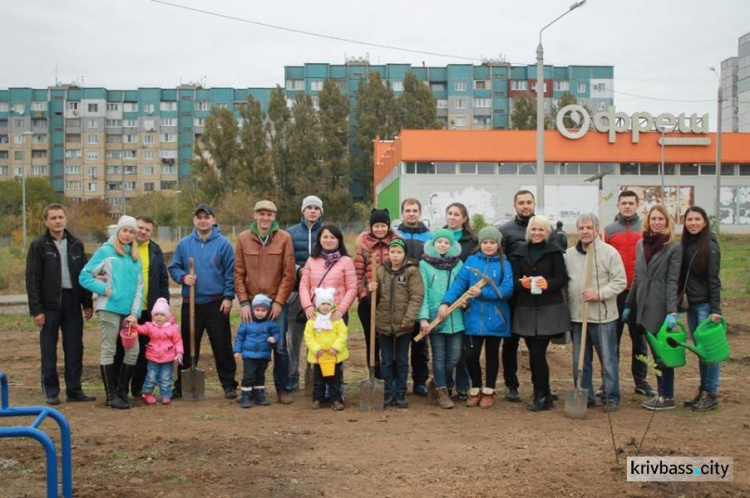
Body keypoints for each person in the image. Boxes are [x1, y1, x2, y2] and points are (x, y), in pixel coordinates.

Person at [26, 203, 95, 405]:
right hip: (49, 305)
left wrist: (87, 301)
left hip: (72, 302)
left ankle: (74, 390)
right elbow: (32, 279)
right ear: (46, 221)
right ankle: (51, 391)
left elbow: (85, 275)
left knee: (74, 348)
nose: (57, 221)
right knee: (49, 349)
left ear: (65, 219)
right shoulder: (39, 245)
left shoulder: (76, 244)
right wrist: (36, 310)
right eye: (53, 218)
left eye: (60, 217)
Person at [440, 226, 513, 409]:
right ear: (480, 244)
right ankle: (475, 388)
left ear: (498, 244)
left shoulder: (505, 263)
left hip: (496, 317)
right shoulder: (472, 261)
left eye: (492, 242)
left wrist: (482, 292)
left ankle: (489, 390)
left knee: (491, 356)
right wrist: (447, 302)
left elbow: (507, 289)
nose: (488, 246)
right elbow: (460, 283)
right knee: (471, 355)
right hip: (473, 317)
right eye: (485, 242)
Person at [169, 204, 238, 400]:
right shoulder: (184, 244)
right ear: (194, 221)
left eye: (206, 217)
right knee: (188, 344)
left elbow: (230, 273)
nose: (202, 220)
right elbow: (173, 268)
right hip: (191, 302)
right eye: (199, 217)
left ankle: (228, 384)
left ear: (213, 220)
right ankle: (182, 384)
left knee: (221, 344)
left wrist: (228, 297)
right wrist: (183, 277)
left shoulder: (223, 244)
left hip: (216, 303)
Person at [234, 200, 296, 405]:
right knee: (251, 345)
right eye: (261, 214)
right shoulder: (243, 239)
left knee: (279, 346)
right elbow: (238, 273)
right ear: (254, 216)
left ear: (274, 217)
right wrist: (243, 302)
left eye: (269, 214)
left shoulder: (284, 238)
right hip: (251, 303)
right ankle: (249, 388)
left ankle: (282, 388)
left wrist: (279, 302)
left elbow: (289, 275)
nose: (265, 218)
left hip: (275, 302)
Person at [79, 215, 144, 409]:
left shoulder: (134, 256)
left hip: (128, 312)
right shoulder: (106, 252)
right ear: (118, 231)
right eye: (124, 230)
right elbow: (84, 276)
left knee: (133, 350)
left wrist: (135, 313)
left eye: (131, 231)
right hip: (109, 308)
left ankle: (122, 392)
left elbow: (139, 286)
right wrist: (103, 289)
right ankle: (110, 396)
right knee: (109, 349)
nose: (127, 234)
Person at [565, 214, 626, 412]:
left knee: (608, 360)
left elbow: (620, 282)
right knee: (580, 361)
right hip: (577, 316)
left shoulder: (609, 253)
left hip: (603, 316)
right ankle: (586, 395)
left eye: (589, 228)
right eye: (581, 228)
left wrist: (599, 294)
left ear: (597, 230)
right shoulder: (569, 255)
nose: (585, 231)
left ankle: (611, 396)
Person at [624, 204, 682, 411]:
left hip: (660, 305)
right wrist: (629, 304)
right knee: (653, 350)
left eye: (661, 219)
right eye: (653, 219)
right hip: (642, 305)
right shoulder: (641, 244)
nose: (657, 222)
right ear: (648, 221)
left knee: (662, 353)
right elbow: (638, 276)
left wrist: (671, 311)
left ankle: (667, 395)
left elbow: (672, 280)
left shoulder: (673, 247)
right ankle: (661, 392)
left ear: (667, 222)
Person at [510, 215, 570, 412]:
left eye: (541, 230)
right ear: (529, 231)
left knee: (537, 353)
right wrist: (522, 283)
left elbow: (561, 279)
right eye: (534, 229)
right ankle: (542, 392)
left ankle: (542, 395)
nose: (537, 233)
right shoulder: (519, 253)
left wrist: (548, 284)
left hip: (548, 310)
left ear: (547, 232)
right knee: (535, 354)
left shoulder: (554, 253)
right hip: (526, 309)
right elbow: (515, 280)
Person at [113, 215, 171, 399]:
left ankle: (138, 388)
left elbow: (163, 280)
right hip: (125, 309)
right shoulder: (121, 248)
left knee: (145, 351)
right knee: (122, 349)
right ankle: (117, 388)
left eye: (147, 229)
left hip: (148, 310)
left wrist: (163, 307)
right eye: (140, 228)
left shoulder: (155, 251)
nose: (143, 232)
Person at [605, 190, 654, 398]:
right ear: (618, 206)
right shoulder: (609, 230)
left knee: (639, 339)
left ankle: (641, 380)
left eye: (631, 203)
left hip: (639, 292)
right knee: (611, 340)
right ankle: (609, 381)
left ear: (637, 205)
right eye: (623, 203)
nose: (627, 206)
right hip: (616, 293)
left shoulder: (646, 229)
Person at [369, 238, 424, 408]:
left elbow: (416, 297)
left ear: (404, 254)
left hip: (403, 325)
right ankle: (387, 392)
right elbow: (376, 299)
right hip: (384, 324)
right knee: (385, 360)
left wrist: (408, 319)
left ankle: (400, 391)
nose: (395, 255)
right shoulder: (380, 271)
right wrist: (371, 289)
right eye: (392, 252)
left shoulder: (412, 272)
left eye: (398, 252)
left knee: (401, 360)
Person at [680, 206, 723, 411]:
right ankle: (703, 389)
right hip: (692, 306)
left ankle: (711, 392)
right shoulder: (688, 244)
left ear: (705, 222)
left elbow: (714, 280)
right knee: (700, 351)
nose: (693, 223)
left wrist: (716, 310)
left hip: (705, 306)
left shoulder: (710, 246)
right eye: (690, 219)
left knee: (710, 352)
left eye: (697, 219)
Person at [417, 229, 465, 409]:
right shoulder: (425, 265)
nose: (443, 245)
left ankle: (434, 382)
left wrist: (464, 303)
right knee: (439, 356)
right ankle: (442, 391)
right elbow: (423, 293)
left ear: (452, 245)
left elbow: (463, 287)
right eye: (440, 242)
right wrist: (423, 318)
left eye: (446, 242)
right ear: (433, 243)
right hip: (434, 318)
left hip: (456, 318)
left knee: (454, 357)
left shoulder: (459, 264)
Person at [499, 190, 539, 403]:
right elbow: (500, 262)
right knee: (511, 342)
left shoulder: (542, 228)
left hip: (536, 297)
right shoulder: (506, 231)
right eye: (521, 203)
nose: (526, 206)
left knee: (536, 343)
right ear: (515, 205)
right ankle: (511, 385)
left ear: (534, 204)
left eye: (529, 202)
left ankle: (539, 384)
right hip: (513, 296)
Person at [354, 208, 401, 379]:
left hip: (392, 304)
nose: (380, 229)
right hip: (370, 303)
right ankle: (375, 376)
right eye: (376, 226)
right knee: (372, 342)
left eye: (383, 225)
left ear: (388, 226)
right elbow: (357, 275)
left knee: (392, 343)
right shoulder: (364, 248)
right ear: (371, 227)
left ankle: (392, 378)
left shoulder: (397, 244)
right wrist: (364, 296)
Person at [286, 195, 324, 392]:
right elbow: (285, 259)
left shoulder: (326, 233)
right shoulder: (290, 233)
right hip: (295, 291)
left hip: (320, 295)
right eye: (308, 207)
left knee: (318, 336)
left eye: (316, 208)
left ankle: (316, 376)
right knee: (294, 337)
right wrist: (297, 269)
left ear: (320, 212)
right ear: (303, 211)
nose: (312, 211)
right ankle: (292, 376)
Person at [395, 198, 432, 396]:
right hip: (399, 293)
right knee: (400, 340)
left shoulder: (429, 236)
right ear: (402, 212)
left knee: (420, 342)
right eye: (407, 210)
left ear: (420, 212)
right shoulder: (396, 234)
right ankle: (397, 381)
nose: (411, 213)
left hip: (420, 292)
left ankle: (420, 380)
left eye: (415, 210)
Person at [443, 202, 477, 401]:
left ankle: (463, 384)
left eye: (457, 214)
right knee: (445, 345)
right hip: (443, 298)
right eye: (450, 213)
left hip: (465, 299)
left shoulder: (472, 242)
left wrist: (465, 297)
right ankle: (445, 383)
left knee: (463, 346)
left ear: (464, 218)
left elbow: (472, 271)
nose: (453, 217)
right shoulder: (439, 237)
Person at [304, 288, 349, 411]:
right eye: (323, 304)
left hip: (334, 356)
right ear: (318, 305)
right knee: (318, 380)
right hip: (319, 357)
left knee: (335, 380)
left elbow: (343, 334)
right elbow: (309, 337)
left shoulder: (337, 320)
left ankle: (336, 400)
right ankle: (318, 399)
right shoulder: (312, 321)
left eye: (328, 304)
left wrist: (336, 347)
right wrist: (316, 349)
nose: (325, 307)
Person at [233, 294, 280, 408]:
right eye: (257, 310)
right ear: (252, 310)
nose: (260, 313)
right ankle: (245, 395)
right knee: (248, 376)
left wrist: (274, 338)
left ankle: (260, 395)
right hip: (249, 356)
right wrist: (237, 350)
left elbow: (277, 334)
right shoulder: (246, 322)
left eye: (263, 310)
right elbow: (240, 337)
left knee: (260, 376)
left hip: (264, 355)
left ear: (268, 311)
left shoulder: (271, 323)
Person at [135, 297, 183, 405]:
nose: (159, 317)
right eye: (156, 315)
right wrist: (133, 325)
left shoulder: (173, 328)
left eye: (162, 315)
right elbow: (140, 329)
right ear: (152, 316)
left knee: (166, 378)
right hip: (153, 357)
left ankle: (166, 395)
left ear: (167, 316)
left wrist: (179, 353)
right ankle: (147, 393)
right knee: (151, 376)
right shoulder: (150, 326)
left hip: (168, 358)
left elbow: (178, 341)